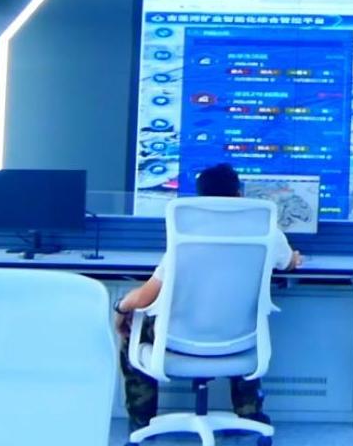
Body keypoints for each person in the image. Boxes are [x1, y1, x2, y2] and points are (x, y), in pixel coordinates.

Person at [113, 163, 304, 431]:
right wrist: (293, 258)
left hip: (180, 337)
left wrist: (121, 308)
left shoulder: (185, 238)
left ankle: (141, 421)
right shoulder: (266, 232)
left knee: (135, 331)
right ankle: (249, 413)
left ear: (200, 198)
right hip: (239, 337)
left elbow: (144, 298)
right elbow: (288, 263)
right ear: (238, 194)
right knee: (245, 316)